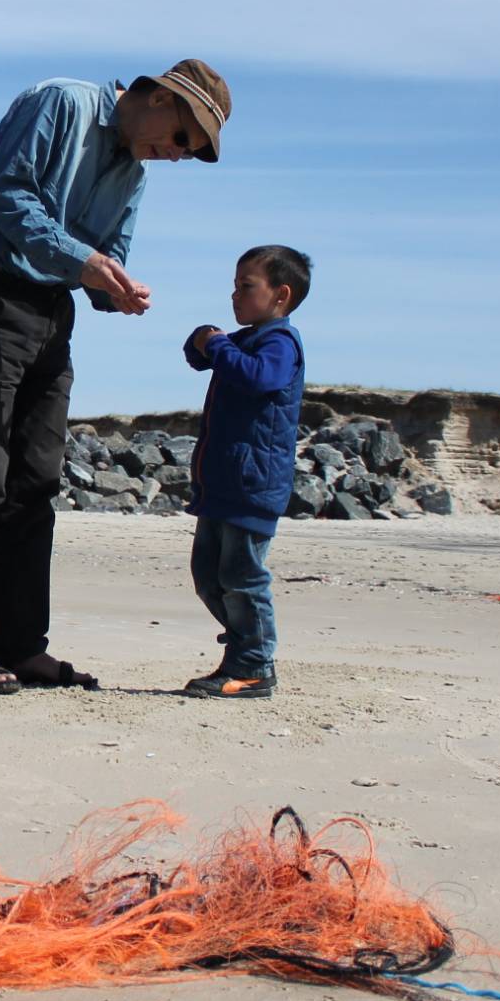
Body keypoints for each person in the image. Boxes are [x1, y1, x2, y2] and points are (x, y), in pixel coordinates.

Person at [0, 60, 234, 695]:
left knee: (36, 484)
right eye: (183, 139)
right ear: (156, 97)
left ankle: (21, 647)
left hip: (51, 317)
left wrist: (115, 288)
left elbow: (109, 255)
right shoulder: (62, 103)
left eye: (192, 153)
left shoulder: (134, 173)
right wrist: (85, 260)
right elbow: (7, 195)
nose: (178, 156)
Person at [179, 244, 311, 699]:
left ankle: (254, 663)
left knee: (242, 576)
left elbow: (258, 378)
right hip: (221, 483)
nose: (235, 295)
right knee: (208, 575)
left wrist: (215, 343)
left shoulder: (279, 343)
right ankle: (244, 642)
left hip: (253, 483)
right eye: (234, 286)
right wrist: (204, 339)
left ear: (281, 295)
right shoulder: (245, 339)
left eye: (246, 287)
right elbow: (198, 356)